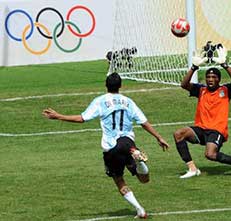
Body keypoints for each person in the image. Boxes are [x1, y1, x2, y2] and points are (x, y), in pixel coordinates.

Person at [43, 72, 169, 218]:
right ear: (120, 86)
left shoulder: (100, 101)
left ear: (106, 85)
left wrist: (59, 116)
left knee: (119, 180)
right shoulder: (128, 101)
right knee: (144, 180)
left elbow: (82, 118)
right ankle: (139, 161)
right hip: (128, 143)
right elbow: (143, 122)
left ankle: (140, 209)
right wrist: (159, 137)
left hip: (111, 148)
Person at [173, 45, 231, 179]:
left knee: (210, 155)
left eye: (213, 77)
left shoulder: (225, 90)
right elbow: (184, 85)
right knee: (178, 134)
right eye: (208, 77)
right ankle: (192, 168)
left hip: (216, 130)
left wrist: (225, 65)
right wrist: (193, 67)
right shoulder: (201, 90)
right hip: (201, 129)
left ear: (219, 79)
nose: (210, 79)